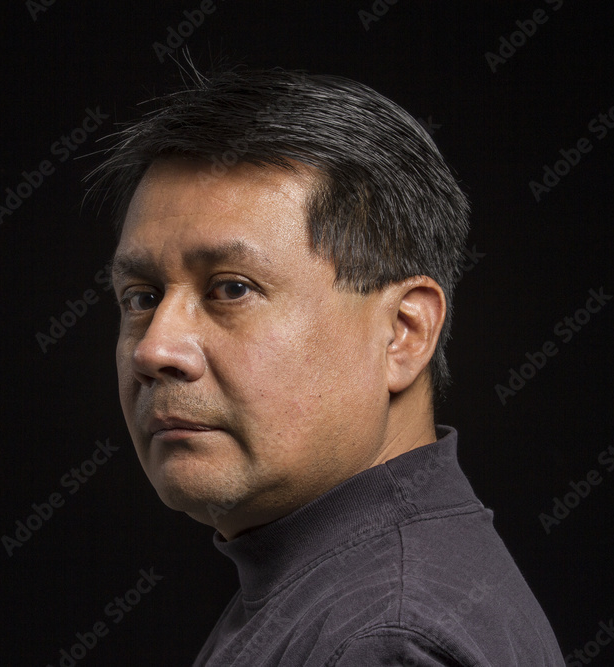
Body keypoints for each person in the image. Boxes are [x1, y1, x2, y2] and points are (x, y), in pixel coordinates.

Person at [90, 65, 566, 666]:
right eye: (141, 296)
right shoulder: (327, 587)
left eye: (231, 289)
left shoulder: (384, 640)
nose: (154, 349)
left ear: (404, 332)